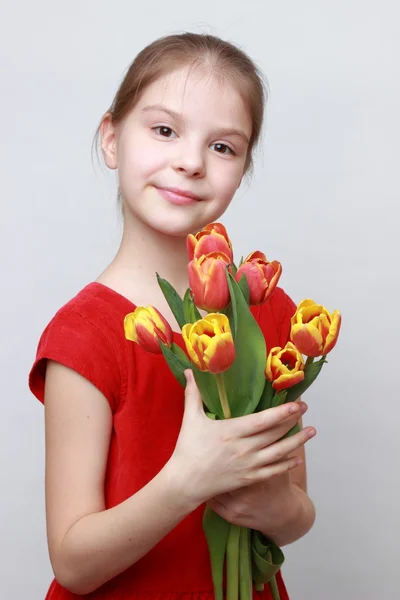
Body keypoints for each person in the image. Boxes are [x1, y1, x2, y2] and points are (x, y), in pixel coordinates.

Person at [29, 32, 316, 600]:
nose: (189, 162)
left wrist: (277, 506)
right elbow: (72, 562)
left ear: (243, 167)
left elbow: (297, 515)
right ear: (112, 139)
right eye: (164, 130)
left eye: (223, 147)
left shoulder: (272, 312)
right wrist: (189, 482)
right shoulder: (84, 336)